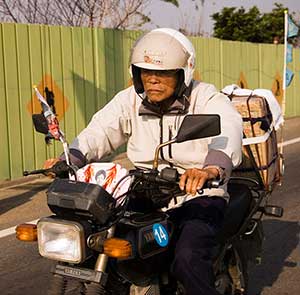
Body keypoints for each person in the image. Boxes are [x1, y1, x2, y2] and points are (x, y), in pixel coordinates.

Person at [46, 28, 243, 295]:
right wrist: (70, 158)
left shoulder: (205, 97)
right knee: (99, 241)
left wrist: (210, 168)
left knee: (188, 258)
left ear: (183, 73)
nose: (153, 80)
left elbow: (227, 129)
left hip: (198, 192)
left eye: (163, 73)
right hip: (144, 188)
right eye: (145, 72)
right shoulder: (130, 100)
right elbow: (101, 130)